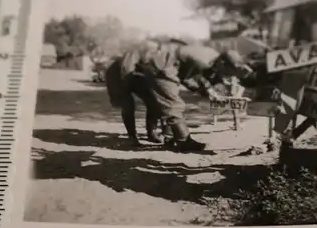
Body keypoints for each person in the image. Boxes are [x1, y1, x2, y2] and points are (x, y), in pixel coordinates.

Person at [106, 40, 251, 152]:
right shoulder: (202, 59)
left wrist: (210, 91)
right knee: (169, 103)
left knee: (155, 103)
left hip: (145, 72)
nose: (225, 77)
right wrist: (208, 90)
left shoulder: (209, 57)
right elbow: (191, 78)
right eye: (226, 73)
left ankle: (158, 135)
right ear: (222, 63)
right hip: (121, 75)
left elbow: (189, 76)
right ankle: (182, 140)